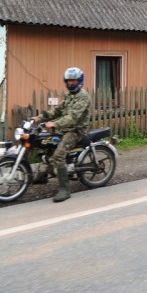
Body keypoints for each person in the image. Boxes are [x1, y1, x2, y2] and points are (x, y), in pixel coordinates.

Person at [32, 67, 90, 203]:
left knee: (58, 155)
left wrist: (54, 124)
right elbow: (58, 111)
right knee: (46, 146)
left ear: (79, 81)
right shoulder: (68, 95)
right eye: (69, 81)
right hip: (64, 128)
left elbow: (73, 118)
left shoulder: (83, 96)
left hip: (76, 131)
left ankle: (65, 189)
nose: (71, 83)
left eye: (74, 81)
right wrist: (40, 117)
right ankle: (42, 176)